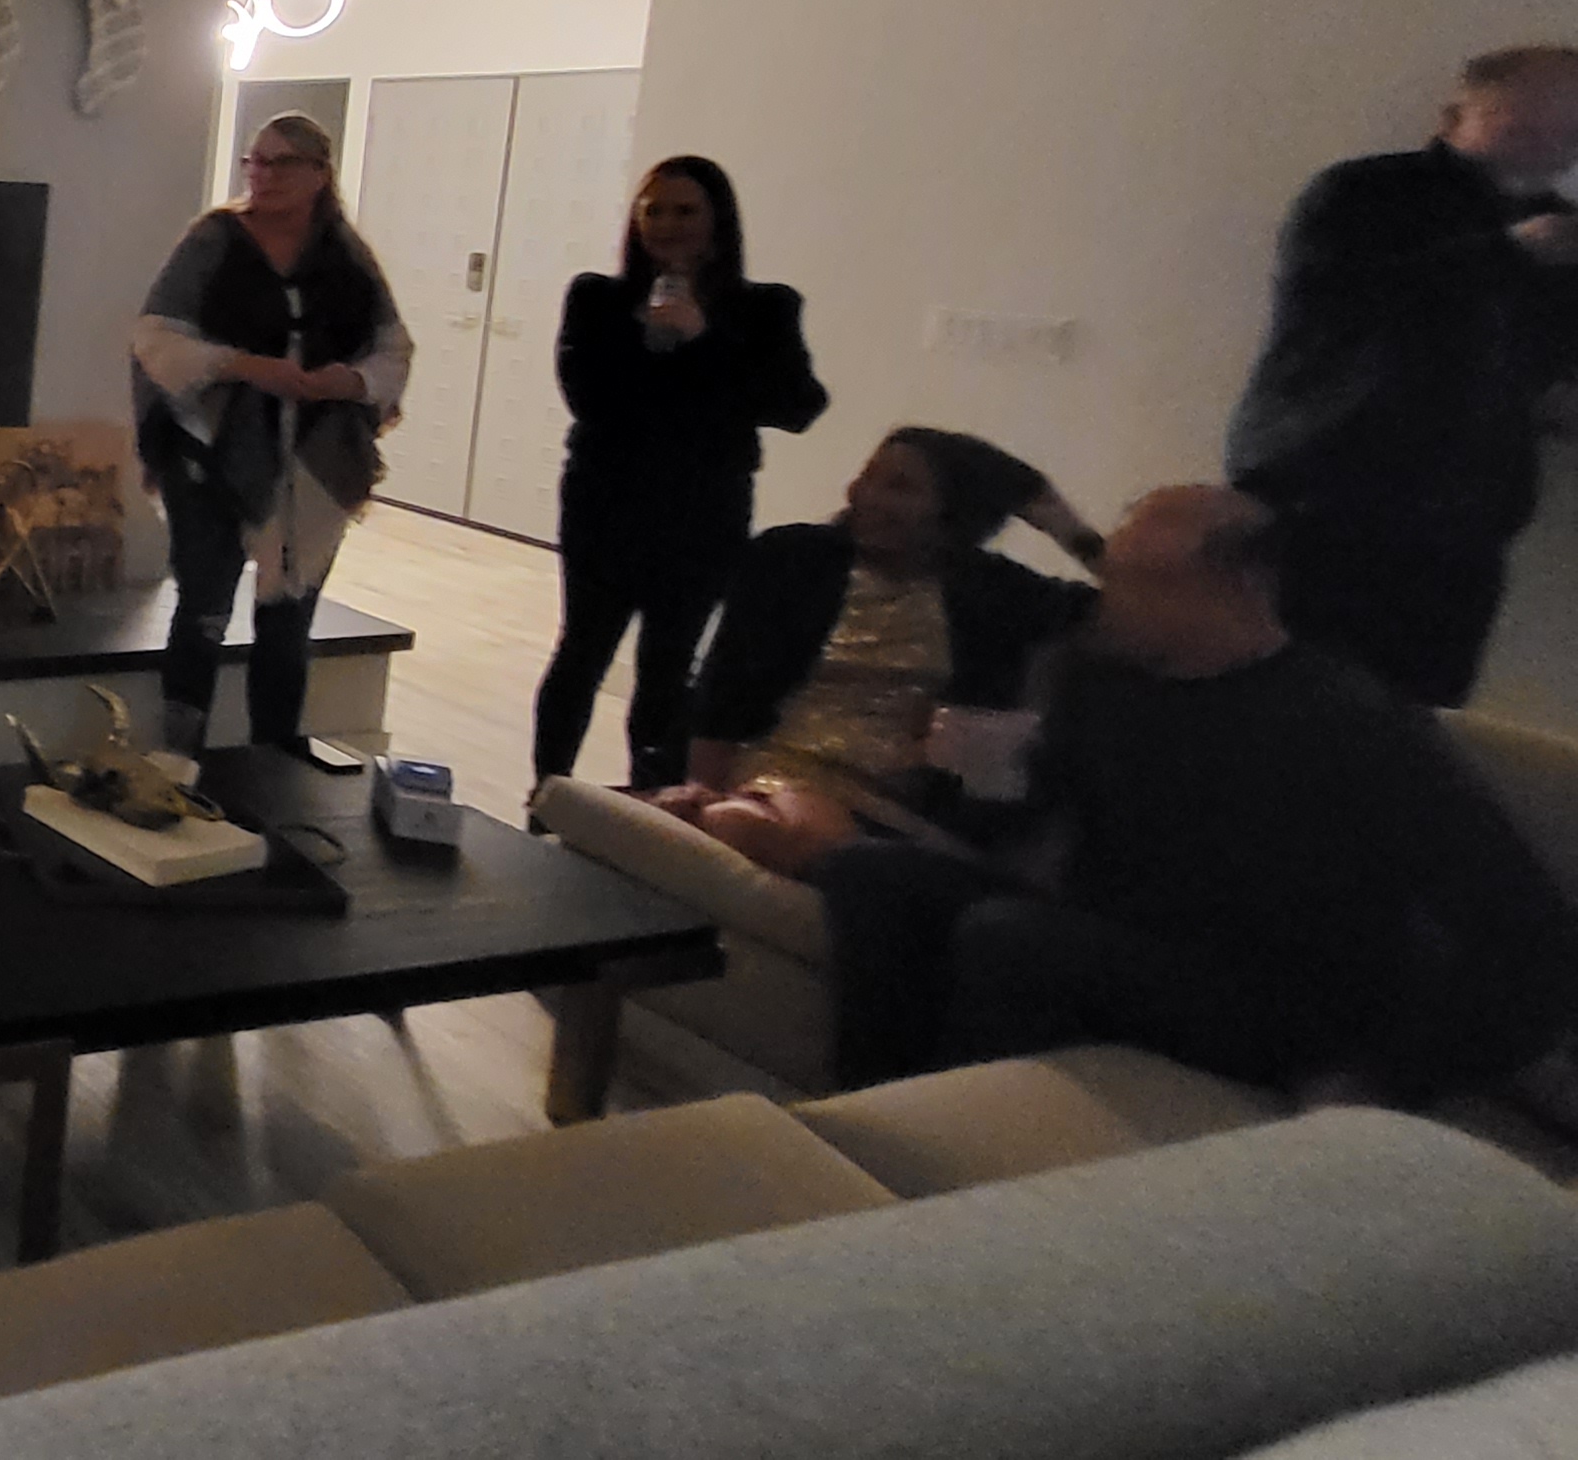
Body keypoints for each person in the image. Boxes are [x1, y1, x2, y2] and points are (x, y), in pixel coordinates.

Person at [814, 487, 1578, 1094]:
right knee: (869, 872)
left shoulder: (1351, 723)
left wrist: (1385, 1079)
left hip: (1270, 996)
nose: (1108, 599)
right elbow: (1018, 820)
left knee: (1010, 937)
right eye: (1111, 574)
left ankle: (957, 1171)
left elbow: (1533, 939)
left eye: (1139, 582)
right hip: (1120, 934)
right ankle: (868, 1110)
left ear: (1238, 588)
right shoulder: (1106, 680)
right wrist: (946, 775)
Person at [1226, 44, 1578, 708]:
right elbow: (1347, 300)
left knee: (1414, 718)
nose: (1549, 137)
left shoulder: (1565, 239)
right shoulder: (1364, 194)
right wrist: (1509, 252)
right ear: (1455, 115)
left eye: (1567, 125)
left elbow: (1546, 372)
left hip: (1464, 521)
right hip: (1327, 495)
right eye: (1525, 119)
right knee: (1286, 701)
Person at [649, 428, 1103, 876]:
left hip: (910, 805)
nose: (864, 495)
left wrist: (1066, 526)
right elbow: (724, 693)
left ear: (954, 509)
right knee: (757, 825)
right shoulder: (794, 557)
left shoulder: (990, 588)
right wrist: (702, 786)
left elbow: (1122, 610)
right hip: (788, 775)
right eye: (866, 478)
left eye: (898, 487)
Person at [528, 156, 829, 790]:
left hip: (705, 509)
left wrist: (704, 337)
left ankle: (651, 799)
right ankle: (549, 796)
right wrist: (649, 346)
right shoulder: (598, 298)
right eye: (654, 210)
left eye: (686, 210)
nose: (667, 225)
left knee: (669, 664)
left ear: (718, 221)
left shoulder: (765, 309)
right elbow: (588, 397)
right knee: (582, 651)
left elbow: (798, 406)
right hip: (606, 502)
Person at [129, 112, 410, 760]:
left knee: (289, 618)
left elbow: (391, 349)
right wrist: (245, 366)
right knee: (203, 609)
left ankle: (276, 764)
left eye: (281, 163)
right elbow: (157, 336)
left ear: (318, 174)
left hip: (312, 457)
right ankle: (177, 763)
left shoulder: (346, 256)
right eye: (255, 161)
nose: (263, 175)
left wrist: (347, 381)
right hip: (213, 450)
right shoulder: (213, 240)